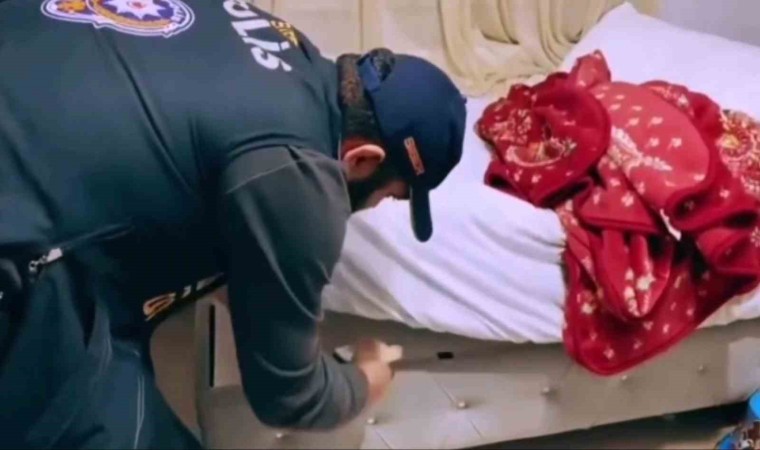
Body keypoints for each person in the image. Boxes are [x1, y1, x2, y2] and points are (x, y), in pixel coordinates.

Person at [0, 0, 466, 447]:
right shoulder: (300, 177)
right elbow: (290, 396)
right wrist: (365, 380)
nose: (379, 205)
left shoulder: (275, 38)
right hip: (24, 239)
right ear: (364, 159)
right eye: (390, 195)